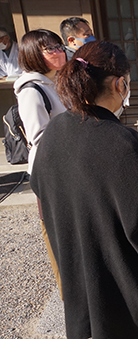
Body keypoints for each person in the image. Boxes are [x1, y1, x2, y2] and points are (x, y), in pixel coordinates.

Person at [30, 41, 138, 339]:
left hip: (80, 267)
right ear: (120, 83)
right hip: (125, 276)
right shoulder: (123, 140)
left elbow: (39, 185)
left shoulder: (55, 130)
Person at [14, 29, 69, 298]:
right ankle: (69, 294)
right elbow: (40, 137)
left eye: (59, 46)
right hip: (52, 173)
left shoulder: (56, 82)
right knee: (58, 233)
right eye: (51, 49)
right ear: (34, 55)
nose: (59, 52)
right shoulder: (32, 89)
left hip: (69, 167)